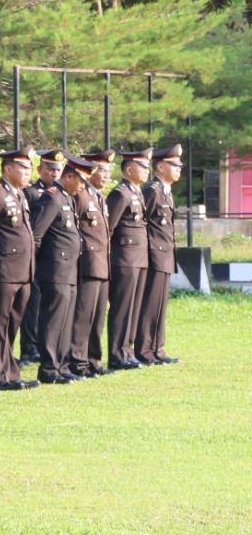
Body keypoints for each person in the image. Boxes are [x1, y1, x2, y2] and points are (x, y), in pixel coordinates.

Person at [30, 156, 93, 385]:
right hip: (55, 270)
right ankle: (49, 368)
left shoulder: (67, 198)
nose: (83, 186)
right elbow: (36, 235)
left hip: (69, 270)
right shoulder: (52, 199)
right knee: (53, 319)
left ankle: (62, 365)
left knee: (66, 320)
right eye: (81, 181)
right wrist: (36, 268)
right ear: (68, 176)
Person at [0, 148, 38, 391]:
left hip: (23, 272)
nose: (28, 172)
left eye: (29, 168)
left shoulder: (20, 195)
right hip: (3, 271)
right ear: (8, 169)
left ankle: (10, 372)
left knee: (12, 323)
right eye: (23, 168)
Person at [105, 148, 152, 369]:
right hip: (124, 259)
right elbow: (109, 229)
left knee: (133, 308)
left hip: (139, 258)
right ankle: (117, 354)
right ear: (130, 169)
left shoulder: (136, 192)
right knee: (122, 308)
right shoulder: (121, 193)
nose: (146, 171)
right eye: (143, 167)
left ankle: (127, 350)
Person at [138, 143, 183, 365]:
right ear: (160, 167)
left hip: (165, 256)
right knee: (150, 304)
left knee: (160, 305)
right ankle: (145, 350)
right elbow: (139, 224)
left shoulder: (165, 191)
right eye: (174, 165)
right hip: (154, 256)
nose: (179, 169)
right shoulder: (152, 191)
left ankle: (157, 348)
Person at [20, 148, 65, 365]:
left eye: (58, 170)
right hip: (36, 257)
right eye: (50, 169)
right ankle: (29, 347)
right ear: (40, 169)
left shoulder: (62, 195)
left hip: (54, 258)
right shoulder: (31, 193)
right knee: (32, 304)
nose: (54, 174)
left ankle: (45, 345)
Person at [71, 150, 114, 377]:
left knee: (98, 317)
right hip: (86, 264)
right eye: (102, 170)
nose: (106, 176)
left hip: (102, 264)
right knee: (83, 316)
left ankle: (93, 360)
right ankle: (77, 362)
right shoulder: (80, 195)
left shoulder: (100, 197)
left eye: (109, 171)